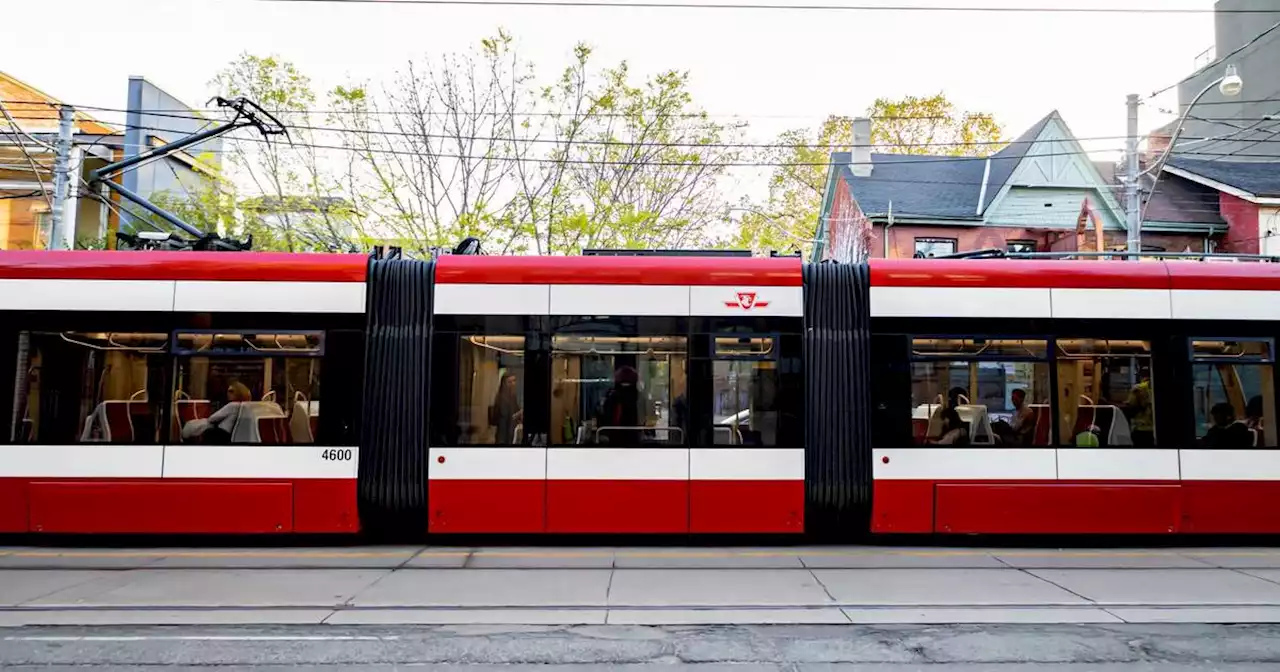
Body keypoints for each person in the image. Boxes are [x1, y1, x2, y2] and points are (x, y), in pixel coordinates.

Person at [182, 381, 252, 444]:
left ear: (239, 392)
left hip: (221, 433)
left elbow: (212, 418)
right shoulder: (246, 406)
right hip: (231, 434)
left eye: (231, 391)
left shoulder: (232, 405)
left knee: (195, 425)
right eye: (228, 391)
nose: (228, 393)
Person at [1125, 366, 1155, 447]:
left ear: (1141, 376)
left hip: (1140, 429)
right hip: (1156, 429)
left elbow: (1131, 409)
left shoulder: (1138, 389)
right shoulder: (1157, 387)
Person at [489, 373, 523, 445]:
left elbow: (516, 411)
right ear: (504, 384)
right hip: (503, 435)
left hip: (511, 433)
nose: (513, 384)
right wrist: (518, 413)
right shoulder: (501, 398)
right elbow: (506, 415)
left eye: (514, 381)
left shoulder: (513, 396)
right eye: (510, 382)